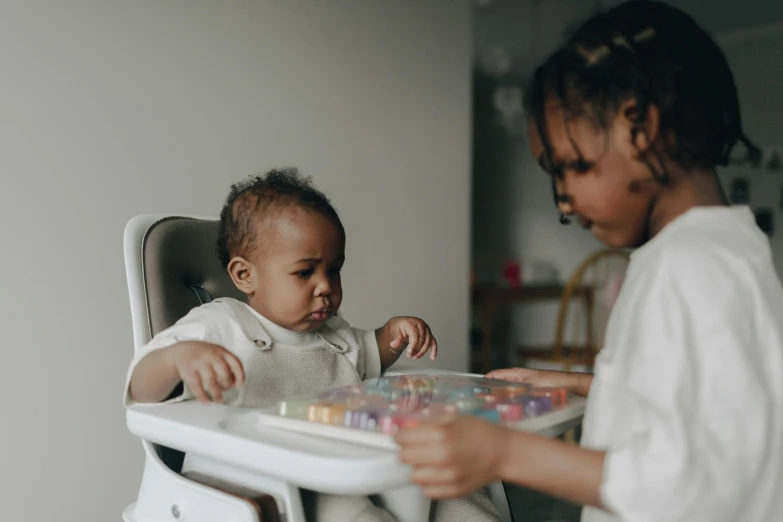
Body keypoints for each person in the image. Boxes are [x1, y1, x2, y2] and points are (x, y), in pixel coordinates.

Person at [394, 2, 783, 521]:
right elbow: (709, 411)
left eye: (571, 168)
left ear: (639, 126)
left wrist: (503, 452)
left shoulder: (690, 266)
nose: (563, 201)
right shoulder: (725, 250)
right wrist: (583, 385)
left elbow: (688, 480)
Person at [124, 168, 503, 522]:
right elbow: (141, 391)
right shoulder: (220, 325)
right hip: (272, 478)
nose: (325, 285)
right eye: (305, 272)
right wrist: (177, 358)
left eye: (333, 269)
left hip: (351, 461)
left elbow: (371, 358)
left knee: (448, 480)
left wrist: (391, 335)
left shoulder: (333, 334)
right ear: (244, 275)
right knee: (348, 509)